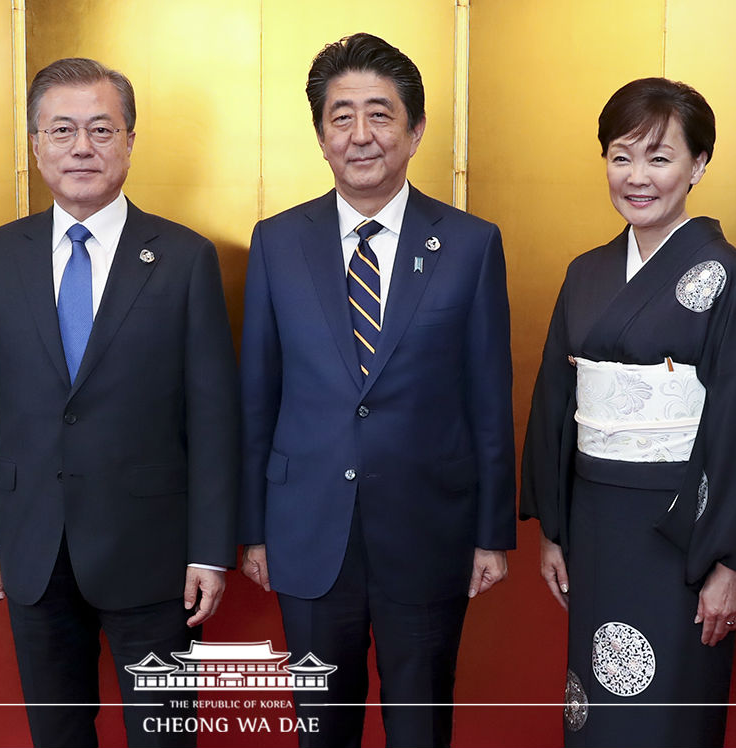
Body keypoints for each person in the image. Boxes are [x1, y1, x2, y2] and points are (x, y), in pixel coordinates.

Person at [239, 33, 516, 748]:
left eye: (380, 114)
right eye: (341, 117)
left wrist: (492, 531)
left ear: (416, 130)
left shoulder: (470, 242)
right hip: (306, 527)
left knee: (421, 719)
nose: (361, 135)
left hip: (428, 528)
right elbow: (257, 395)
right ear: (321, 135)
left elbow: (488, 395)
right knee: (320, 726)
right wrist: (252, 527)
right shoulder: (275, 242)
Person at [0, 57, 239, 748]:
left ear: (131, 141)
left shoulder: (184, 256)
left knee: (164, 735)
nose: (82, 147)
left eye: (102, 129)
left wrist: (210, 550)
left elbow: (213, 416)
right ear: (35, 144)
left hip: (153, 549)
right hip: (32, 542)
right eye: (62, 129)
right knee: (56, 734)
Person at [521, 77, 736, 747]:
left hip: (685, 533)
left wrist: (731, 566)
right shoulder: (585, 273)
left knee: (672, 713)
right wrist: (554, 531)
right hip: (598, 525)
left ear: (698, 165)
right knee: (596, 700)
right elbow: (556, 405)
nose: (637, 177)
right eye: (621, 156)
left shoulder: (723, 274)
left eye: (659, 157)